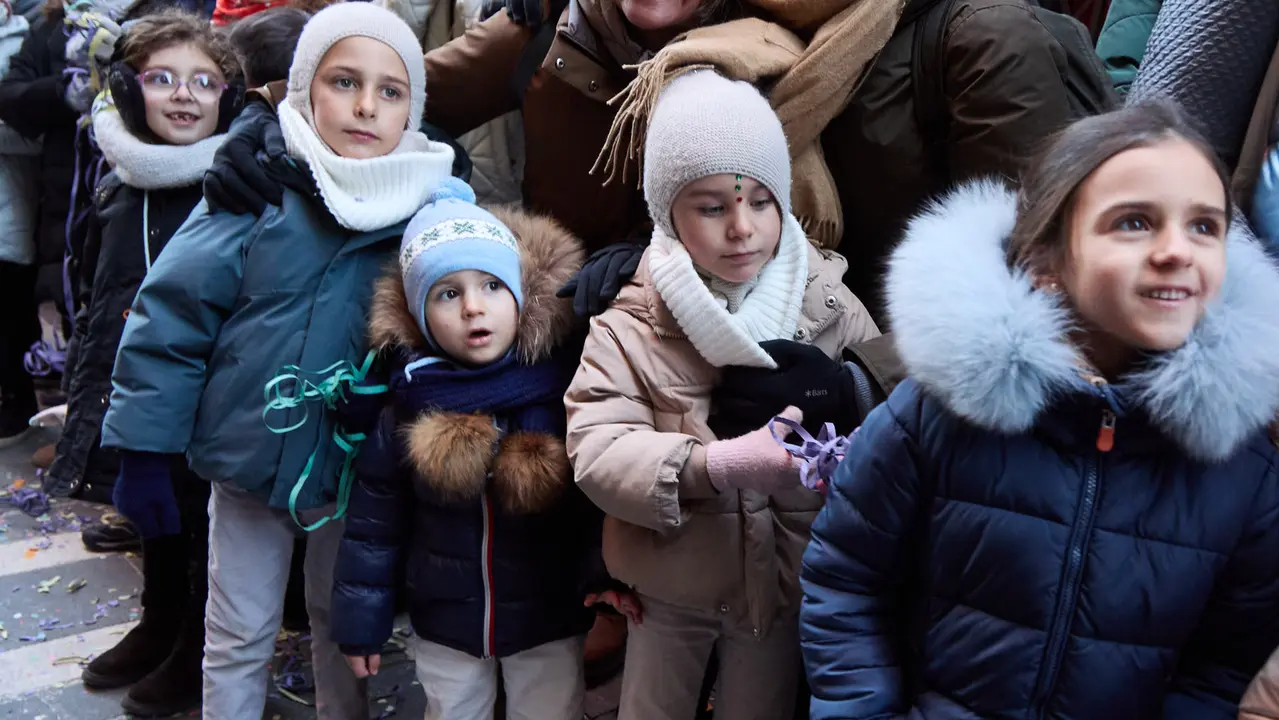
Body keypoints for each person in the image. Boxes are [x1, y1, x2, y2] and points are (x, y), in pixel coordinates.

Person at [800, 99, 1279, 718]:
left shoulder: (1245, 469)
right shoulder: (935, 416)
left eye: (1204, 226)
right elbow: (845, 577)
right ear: (1045, 263)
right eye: (1134, 222)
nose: (1177, 250)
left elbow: (1223, 662)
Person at [97, 4, 459, 717]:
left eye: (391, 91)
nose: (364, 105)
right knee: (237, 629)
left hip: (353, 471)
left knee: (340, 621)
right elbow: (172, 314)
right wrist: (142, 444)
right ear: (301, 91)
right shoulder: (256, 190)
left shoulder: (428, 210)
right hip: (247, 458)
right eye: (343, 82)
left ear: (412, 110)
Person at [564, 71, 880, 720]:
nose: (741, 228)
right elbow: (596, 447)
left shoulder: (825, 301)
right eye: (711, 207)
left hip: (785, 585)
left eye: (760, 201)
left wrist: (849, 392)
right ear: (667, 213)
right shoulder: (631, 324)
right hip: (668, 587)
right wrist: (711, 465)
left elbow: (895, 418)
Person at [332, 180, 637, 719]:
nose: (474, 308)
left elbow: (592, 503)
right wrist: (363, 625)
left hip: (549, 616)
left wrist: (605, 577)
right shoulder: (406, 408)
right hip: (446, 622)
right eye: (448, 293)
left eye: (493, 286)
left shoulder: (561, 391)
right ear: (420, 312)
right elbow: (372, 529)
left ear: (520, 297)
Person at [65, 13, 238, 717]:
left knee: (202, 527)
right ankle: (159, 621)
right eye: (162, 79)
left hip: (207, 399)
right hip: (137, 391)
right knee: (158, 524)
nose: (184, 96)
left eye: (205, 81)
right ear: (130, 94)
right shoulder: (121, 180)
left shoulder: (234, 184)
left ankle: (198, 641)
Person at [0, 0, 40, 447]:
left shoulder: (23, 41)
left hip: (9, 203)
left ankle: (17, 401)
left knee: (9, 315)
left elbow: (36, 133)